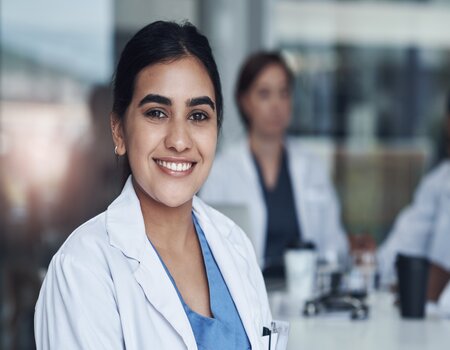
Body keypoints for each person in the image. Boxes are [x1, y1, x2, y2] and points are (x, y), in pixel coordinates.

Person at [34, 21, 273, 349]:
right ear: (119, 131)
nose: (178, 140)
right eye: (157, 113)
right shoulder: (82, 270)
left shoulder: (235, 247)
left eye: (198, 116)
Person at [200, 52, 348, 276]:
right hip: (247, 295)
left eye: (284, 93)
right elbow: (206, 248)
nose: (276, 105)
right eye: (264, 94)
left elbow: (335, 244)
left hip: (306, 295)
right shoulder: (221, 170)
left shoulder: (311, 167)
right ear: (244, 101)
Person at [377, 97, 450, 309]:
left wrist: (441, 287)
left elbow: (436, 287)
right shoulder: (439, 181)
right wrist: (370, 263)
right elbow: (400, 248)